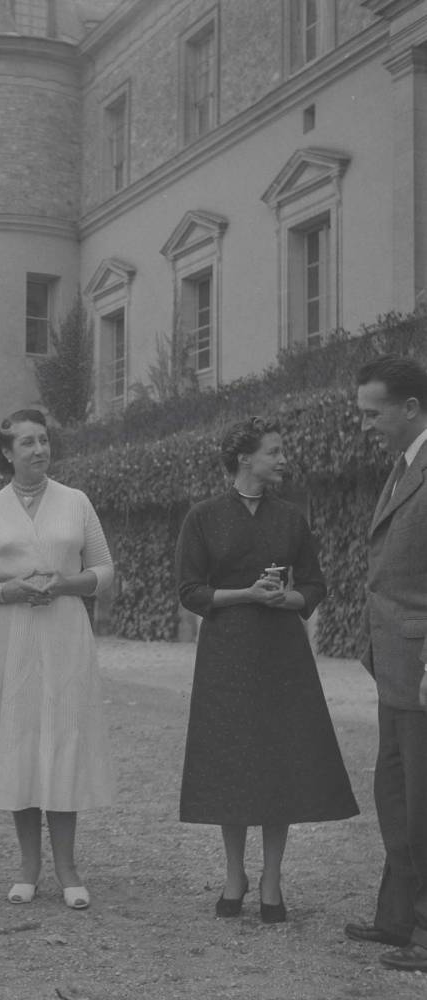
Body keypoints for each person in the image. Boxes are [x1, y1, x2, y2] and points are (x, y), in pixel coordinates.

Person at [175, 416, 358, 924]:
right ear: (244, 458)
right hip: (226, 653)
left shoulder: (290, 518)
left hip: (282, 653)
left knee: (280, 763)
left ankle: (272, 878)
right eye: (273, 451)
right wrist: (247, 594)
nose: (283, 459)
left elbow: (315, 584)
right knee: (232, 763)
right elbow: (190, 591)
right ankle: (235, 874)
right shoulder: (204, 517)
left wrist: (289, 600)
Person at [0, 409, 115, 910]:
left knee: (63, 737)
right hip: (11, 635)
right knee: (21, 741)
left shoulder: (76, 501)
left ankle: (68, 868)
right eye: (27, 443)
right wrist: (7, 590)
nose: (39, 450)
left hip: (64, 632)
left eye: (44, 440)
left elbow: (105, 570)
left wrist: (66, 584)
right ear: (7, 453)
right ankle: (28, 865)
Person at [345, 354, 427, 973]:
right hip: (397, 666)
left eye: (374, 413)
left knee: (423, 802)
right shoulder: (404, 468)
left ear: (411, 408)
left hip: (421, 669)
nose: (365, 425)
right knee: (396, 796)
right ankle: (399, 918)